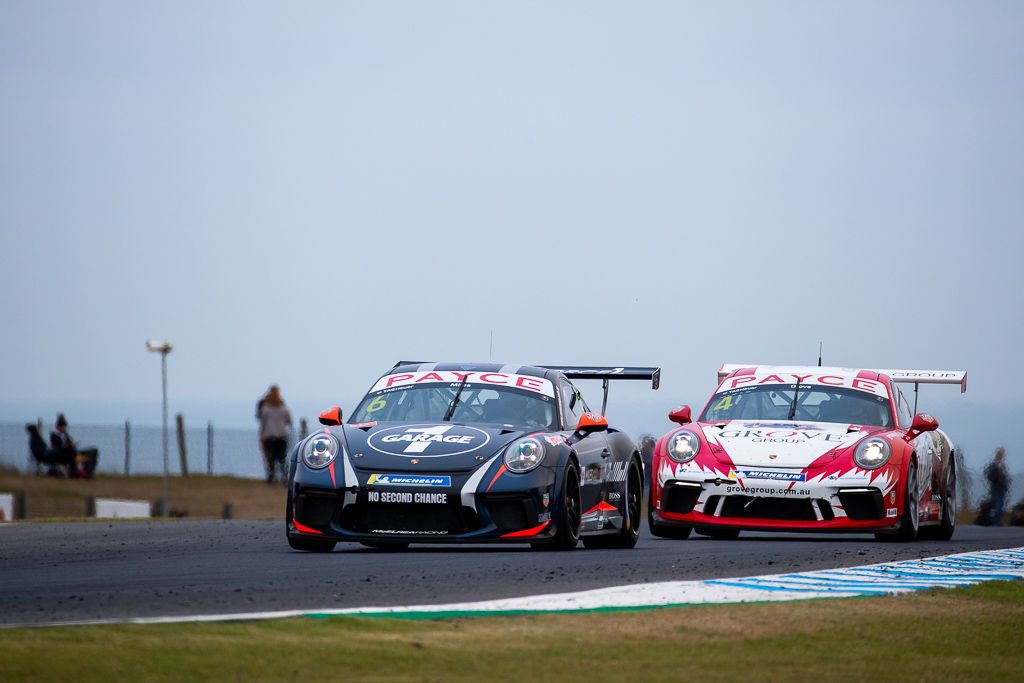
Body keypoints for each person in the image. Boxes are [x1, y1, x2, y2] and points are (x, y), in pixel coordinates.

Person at [258, 385, 292, 483]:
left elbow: (262, 422)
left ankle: (271, 476)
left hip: (269, 436)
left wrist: (262, 435)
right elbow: (289, 421)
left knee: (270, 458)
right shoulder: (283, 408)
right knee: (282, 458)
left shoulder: (265, 408)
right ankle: (284, 477)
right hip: (282, 436)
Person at [984, 447, 1010, 526]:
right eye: (1000, 454)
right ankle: (994, 522)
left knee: (1000, 506)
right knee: (996, 507)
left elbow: (1004, 478)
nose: (1001, 456)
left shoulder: (1002, 466)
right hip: (995, 489)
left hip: (1001, 489)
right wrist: (997, 477)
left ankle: (997, 522)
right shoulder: (994, 465)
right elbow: (990, 477)